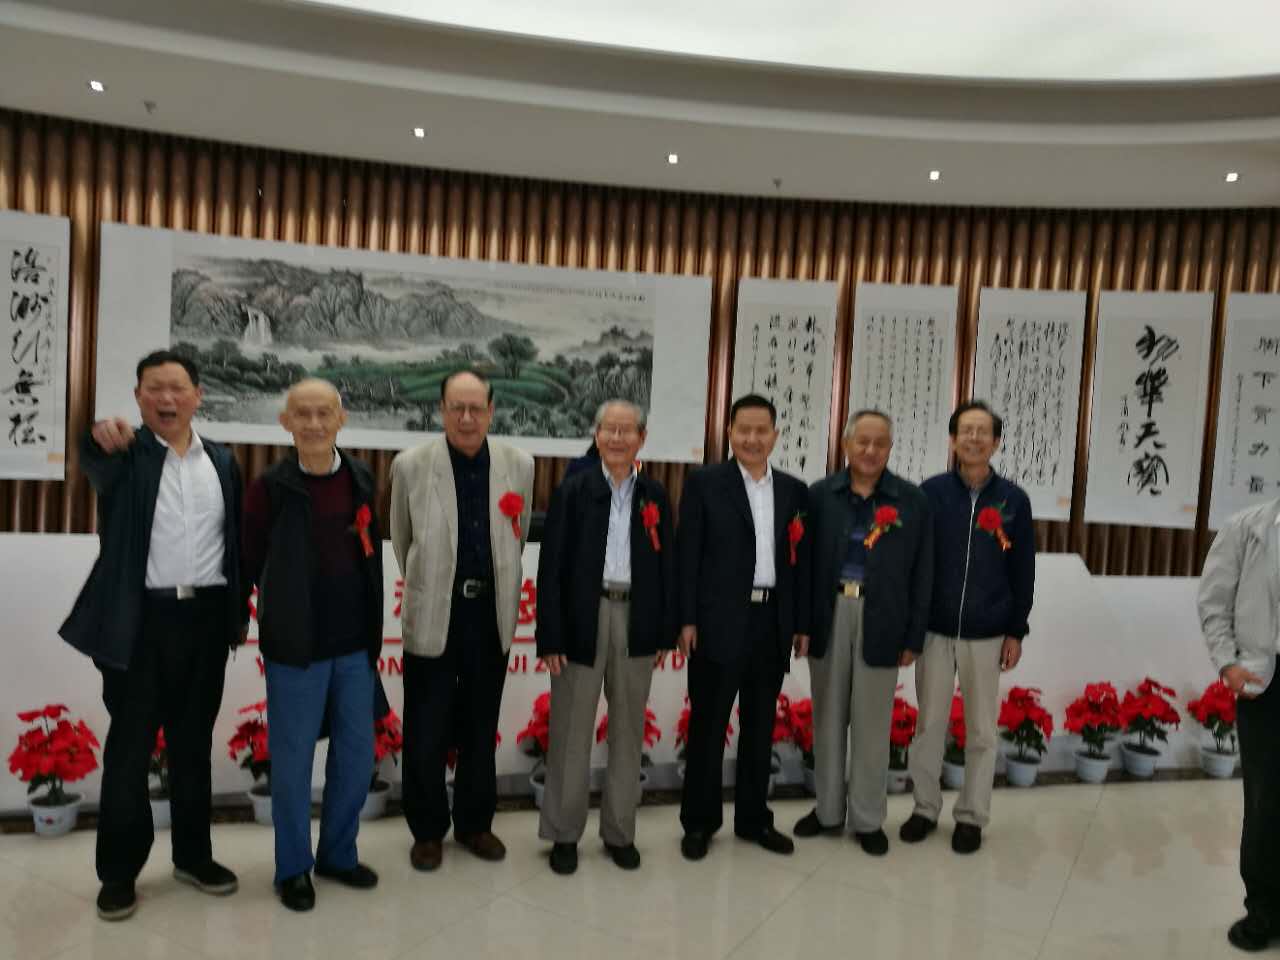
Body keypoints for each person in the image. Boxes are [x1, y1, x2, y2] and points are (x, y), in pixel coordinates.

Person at [60, 349, 244, 921]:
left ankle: (193, 856)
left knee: (192, 746)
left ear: (198, 396)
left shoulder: (223, 461)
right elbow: (94, 457)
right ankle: (119, 873)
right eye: (154, 389)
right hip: (140, 623)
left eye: (177, 388)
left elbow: (235, 542)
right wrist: (97, 436)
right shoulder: (125, 456)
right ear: (138, 398)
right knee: (130, 750)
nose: (167, 398)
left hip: (205, 621)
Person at [241, 380, 383, 911]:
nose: (315, 424)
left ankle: (338, 854)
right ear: (286, 422)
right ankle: (293, 867)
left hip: (354, 647)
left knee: (357, 755)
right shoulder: (270, 488)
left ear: (341, 419)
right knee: (294, 762)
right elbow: (248, 559)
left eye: (325, 413)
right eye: (303, 414)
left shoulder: (361, 477)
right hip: (296, 648)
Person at [390, 369, 534, 872]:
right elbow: (402, 540)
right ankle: (427, 830)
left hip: (488, 614)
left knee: (480, 724)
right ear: (442, 410)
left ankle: (475, 823)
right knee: (425, 727)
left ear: (491, 411)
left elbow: (516, 537)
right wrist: (432, 585)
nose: (467, 418)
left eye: (476, 408)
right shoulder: (411, 465)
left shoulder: (519, 465)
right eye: (457, 407)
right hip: (435, 611)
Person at [536, 400, 676, 875]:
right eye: (609, 430)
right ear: (596, 436)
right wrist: (550, 636)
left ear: (642, 438)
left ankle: (620, 832)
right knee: (571, 730)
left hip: (637, 617)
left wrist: (663, 628)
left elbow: (666, 565)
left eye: (627, 430)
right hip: (583, 615)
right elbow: (551, 566)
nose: (617, 438)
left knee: (628, 730)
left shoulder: (655, 495)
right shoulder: (574, 490)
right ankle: (564, 832)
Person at [677, 394, 810, 861]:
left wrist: (800, 623)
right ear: (729, 432)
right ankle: (699, 822)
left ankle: (754, 819)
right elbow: (688, 555)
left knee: (759, 727)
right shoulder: (705, 484)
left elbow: (800, 563)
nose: (753, 439)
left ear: (775, 435)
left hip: (771, 622)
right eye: (744, 430)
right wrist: (687, 619)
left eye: (761, 430)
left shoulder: (794, 491)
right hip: (717, 621)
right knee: (708, 726)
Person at [794, 410, 932, 856]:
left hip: (884, 617)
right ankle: (827, 811)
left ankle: (868, 818)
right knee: (828, 718)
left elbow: (923, 573)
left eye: (880, 443)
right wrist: (802, 625)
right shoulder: (820, 495)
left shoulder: (911, 500)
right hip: (829, 612)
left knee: (873, 725)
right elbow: (803, 564)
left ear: (890, 448)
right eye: (862, 442)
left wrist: (914, 636)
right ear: (846, 444)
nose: (870, 450)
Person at [901, 400, 1034, 855]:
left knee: (981, 731)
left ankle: (972, 816)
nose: (974, 439)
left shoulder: (1013, 500)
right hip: (936, 631)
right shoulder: (930, 493)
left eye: (983, 432)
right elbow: (915, 563)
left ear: (996, 442)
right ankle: (924, 808)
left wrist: (1016, 630)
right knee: (929, 725)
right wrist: (913, 626)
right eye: (966, 431)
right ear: (953, 440)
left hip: (988, 632)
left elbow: (1023, 571)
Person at [1198, 495, 1280, 952]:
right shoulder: (1247, 528)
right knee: (1266, 800)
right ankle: (1264, 909)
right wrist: (1227, 662)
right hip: (1266, 680)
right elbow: (1214, 602)